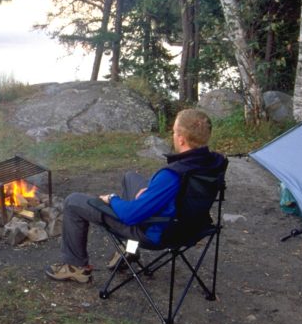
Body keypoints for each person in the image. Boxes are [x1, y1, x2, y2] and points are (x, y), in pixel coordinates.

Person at [45, 108, 227, 283]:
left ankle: (75, 267)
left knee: (73, 201)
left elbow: (130, 216)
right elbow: (178, 194)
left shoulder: (173, 175)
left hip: (159, 232)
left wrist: (112, 199)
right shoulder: (214, 162)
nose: (172, 136)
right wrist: (150, 193)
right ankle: (130, 249)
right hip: (192, 227)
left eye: (173, 132)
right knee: (130, 178)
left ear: (180, 139)